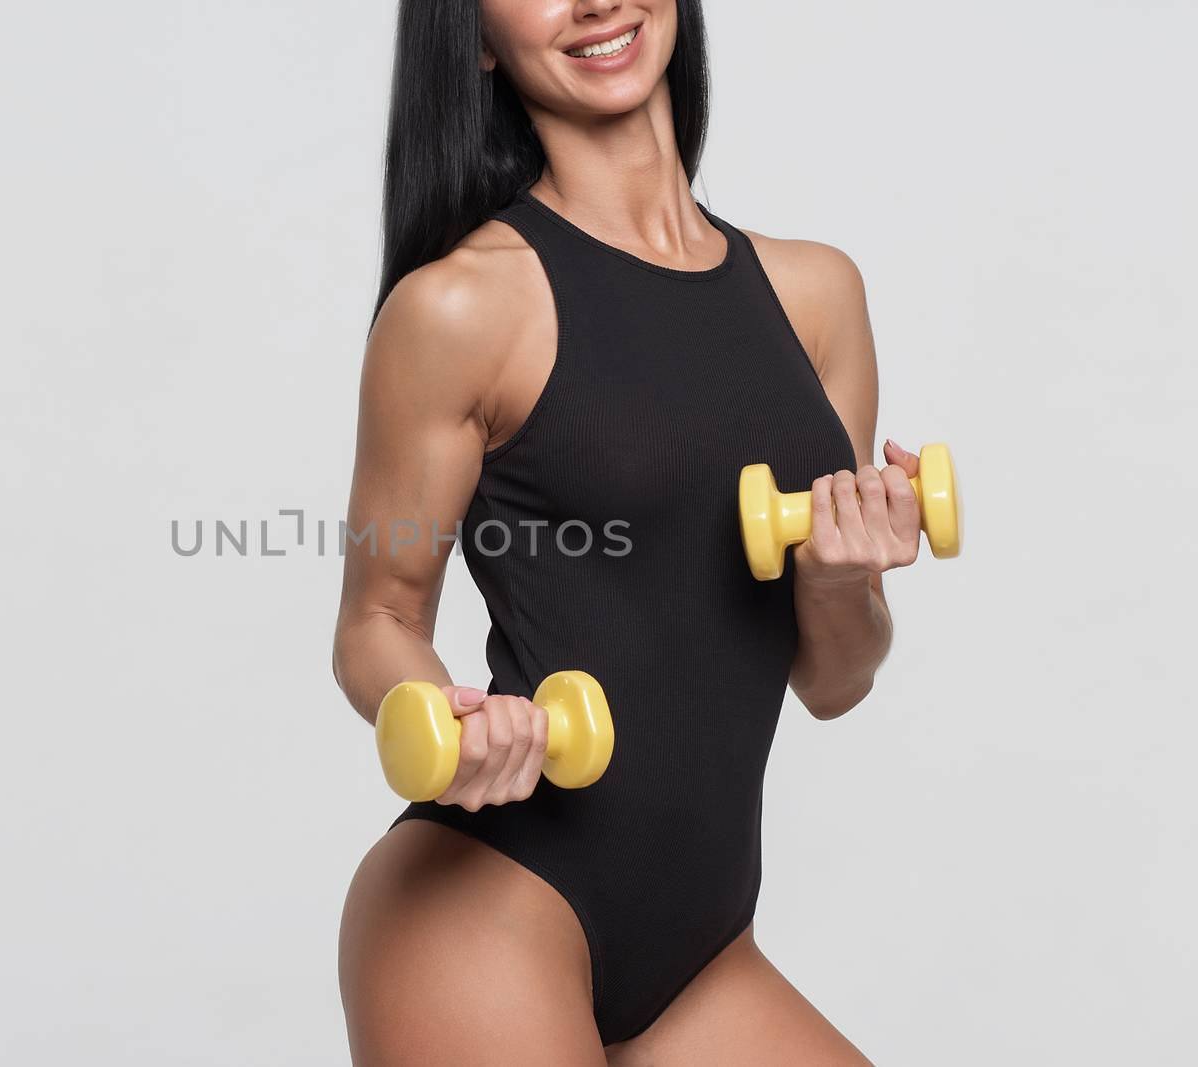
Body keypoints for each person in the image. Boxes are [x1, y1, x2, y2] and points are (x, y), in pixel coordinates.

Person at [333, 3, 924, 1062]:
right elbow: (375, 619)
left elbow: (833, 682)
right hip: (491, 904)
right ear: (472, 37)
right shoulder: (463, 308)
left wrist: (840, 577)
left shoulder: (816, 295)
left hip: (702, 944)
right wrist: (443, 718)